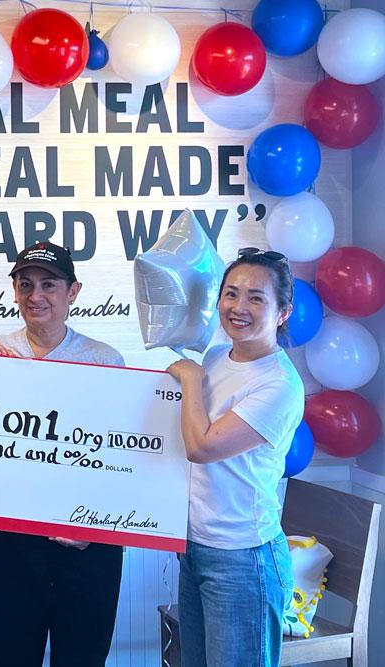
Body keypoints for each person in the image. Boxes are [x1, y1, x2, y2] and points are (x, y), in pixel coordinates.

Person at [0, 242, 125, 667]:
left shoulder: (105, 361)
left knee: (82, 657)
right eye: (25, 285)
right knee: (10, 656)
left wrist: (95, 525)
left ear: (73, 292)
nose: (35, 296)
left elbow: (125, 461)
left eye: (48, 284)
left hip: (87, 541)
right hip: (12, 538)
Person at [167, 247, 303, 666]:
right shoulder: (216, 358)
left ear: (282, 312)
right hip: (194, 546)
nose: (238, 307)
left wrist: (189, 377)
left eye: (256, 298)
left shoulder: (279, 384)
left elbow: (202, 447)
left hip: (243, 559)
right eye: (231, 293)